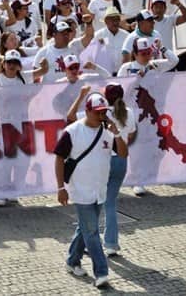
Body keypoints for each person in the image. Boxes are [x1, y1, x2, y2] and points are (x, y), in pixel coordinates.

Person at [54, 92, 122, 288]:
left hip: (99, 189)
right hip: (80, 189)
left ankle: (71, 261)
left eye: (104, 113)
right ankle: (101, 272)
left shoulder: (108, 133)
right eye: (98, 113)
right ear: (88, 111)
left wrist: (117, 132)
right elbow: (59, 158)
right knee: (92, 231)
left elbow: (123, 153)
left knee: (85, 229)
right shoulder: (72, 131)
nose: (101, 116)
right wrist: (61, 187)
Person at [66, 84, 133, 255]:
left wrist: (81, 96)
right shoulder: (129, 112)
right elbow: (131, 135)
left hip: (101, 162)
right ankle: (111, 243)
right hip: (120, 161)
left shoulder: (99, 113)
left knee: (92, 203)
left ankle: (90, 242)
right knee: (110, 203)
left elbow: (70, 116)